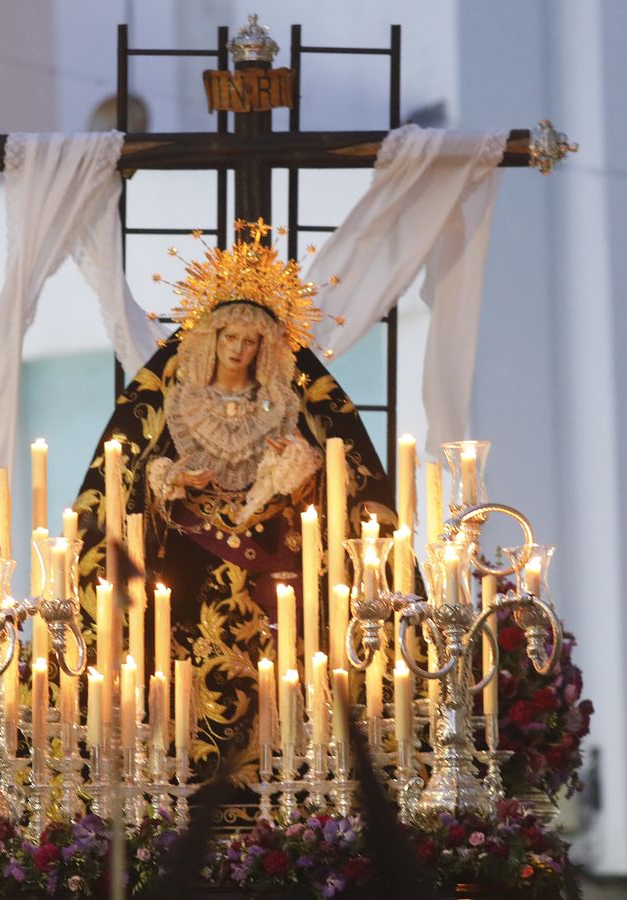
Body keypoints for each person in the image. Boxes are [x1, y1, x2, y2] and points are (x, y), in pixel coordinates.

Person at [71, 221, 399, 786]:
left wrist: (297, 469)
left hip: (273, 563)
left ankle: (289, 770)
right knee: (178, 663)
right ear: (213, 338)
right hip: (188, 561)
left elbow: (336, 482)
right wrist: (173, 478)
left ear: (265, 348)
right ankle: (176, 765)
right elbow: (131, 479)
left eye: (252, 342)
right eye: (231, 338)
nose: (240, 349)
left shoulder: (284, 404)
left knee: (286, 665)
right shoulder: (177, 400)